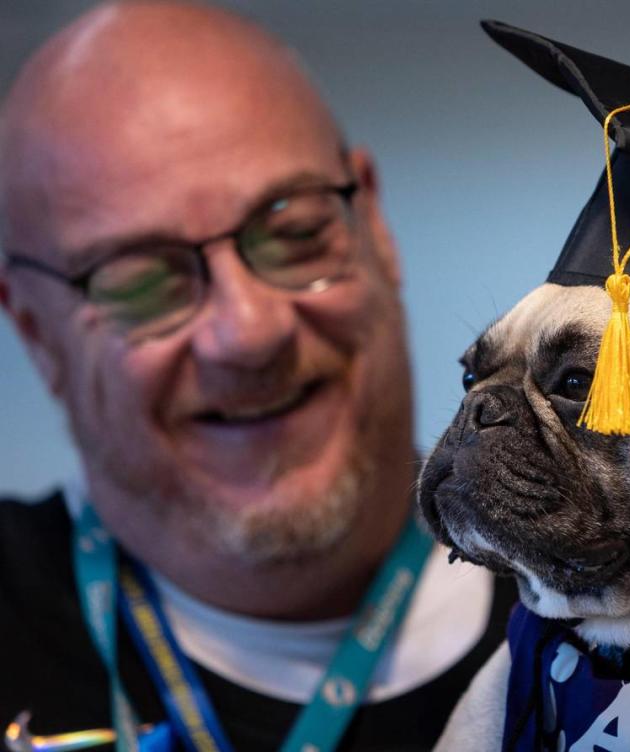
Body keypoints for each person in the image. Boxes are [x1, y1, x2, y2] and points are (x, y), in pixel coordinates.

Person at [0, 2, 513, 749]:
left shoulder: (628, 617)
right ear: (37, 335)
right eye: (143, 282)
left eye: (295, 234)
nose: (249, 332)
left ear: (374, 226)